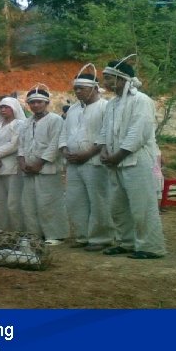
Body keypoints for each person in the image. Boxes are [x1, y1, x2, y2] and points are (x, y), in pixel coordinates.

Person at [98, 57, 167, 259]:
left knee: (142, 206)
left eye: (109, 78)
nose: (105, 82)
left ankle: (151, 247)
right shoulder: (112, 104)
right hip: (115, 161)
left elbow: (139, 133)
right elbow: (105, 130)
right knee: (118, 206)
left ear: (122, 79)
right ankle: (126, 242)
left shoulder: (142, 100)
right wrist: (104, 150)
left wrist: (118, 155)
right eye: (105, 78)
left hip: (137, 161)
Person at [59, 65, 113, 251]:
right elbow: (64, 133)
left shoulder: (106, 107)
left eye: (81, 88)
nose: (78, 92)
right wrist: (65, 150)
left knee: (98, 200)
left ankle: (101, 238)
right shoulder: (73, 109)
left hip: (95, 162)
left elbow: (106, 134)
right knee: (75, 200)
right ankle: (82, 236)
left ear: (95, 88)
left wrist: (89, 153)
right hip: (73, 163)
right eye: (76, 88)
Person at [17, 85, 68, 245]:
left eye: (39, 102)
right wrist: (22, 162)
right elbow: (21, 144)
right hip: (28, 169)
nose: (36, 105)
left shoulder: (55, 120)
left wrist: (40, 163)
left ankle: (55, 235)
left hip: (47, 169)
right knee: (29, 203)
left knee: (49, 202)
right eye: (32, 102)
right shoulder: (26, 122)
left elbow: (55, 143)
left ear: (46, 103)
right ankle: (34, 234)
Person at [0, 97, 26, 232]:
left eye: (6, 107)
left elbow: (14, 144)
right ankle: (4, 228)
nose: (3, 110)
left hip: (11, 166)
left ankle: (17, 230)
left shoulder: (19, 124)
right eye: (1, 107)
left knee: (13, 202)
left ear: (14, 108)